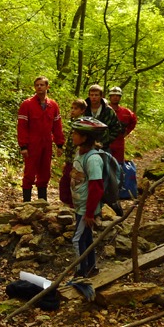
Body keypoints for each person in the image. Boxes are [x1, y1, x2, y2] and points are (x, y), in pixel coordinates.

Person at [69, 117, 109, 277]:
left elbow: (96, 187)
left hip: (87, 207)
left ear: (85, 137)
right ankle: (91, 268)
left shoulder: (93, 159)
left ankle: (81, 273)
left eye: (76, 133)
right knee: (86, 238)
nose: (72, 135)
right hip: (80, 206)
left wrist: (90, 213)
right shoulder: (79, 153)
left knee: (77, 240)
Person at [17, 76, 65, 202]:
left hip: (47, 142)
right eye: (37, 85)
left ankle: (42, 202)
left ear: (47, 87)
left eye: (42, 85)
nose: (39, 87)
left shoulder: (53, 105)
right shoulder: (27, 104)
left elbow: (57, 126)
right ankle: (26, 203)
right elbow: (22, 127)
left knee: (45, 172)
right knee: (30, 172)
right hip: (32, 142)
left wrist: (59, 144)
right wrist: (23, 146)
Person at [59, 98, 87, 206]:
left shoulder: (81, 123)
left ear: (82, 110)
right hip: (70, 158)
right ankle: (68, 202)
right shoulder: (74, 122)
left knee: (69, 181)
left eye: (76, 108)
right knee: (66, 180)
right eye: (72, 108)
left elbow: (78, 144)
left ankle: (71, 203)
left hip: (76, 159)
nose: (72, 110)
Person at [83, 84, 122, 152]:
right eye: (91, 95)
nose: (94, 97)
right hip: (85, 146)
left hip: (104, 147)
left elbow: (116, 128)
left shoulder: (108, 111)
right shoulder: (83, 109)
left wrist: (106, 140)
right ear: (89, 96)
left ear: (101, 96)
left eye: (96, 95)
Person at [107, 86, 137, 164]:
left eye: (117, 96)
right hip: (105, 143)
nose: (115, 97)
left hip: (119, 143)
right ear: (110, 97)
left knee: (118, 165)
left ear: (120, 97)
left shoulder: (126, 112)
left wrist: (127, 131)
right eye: (113, 95)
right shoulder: (104, 110)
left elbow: (134, 120)